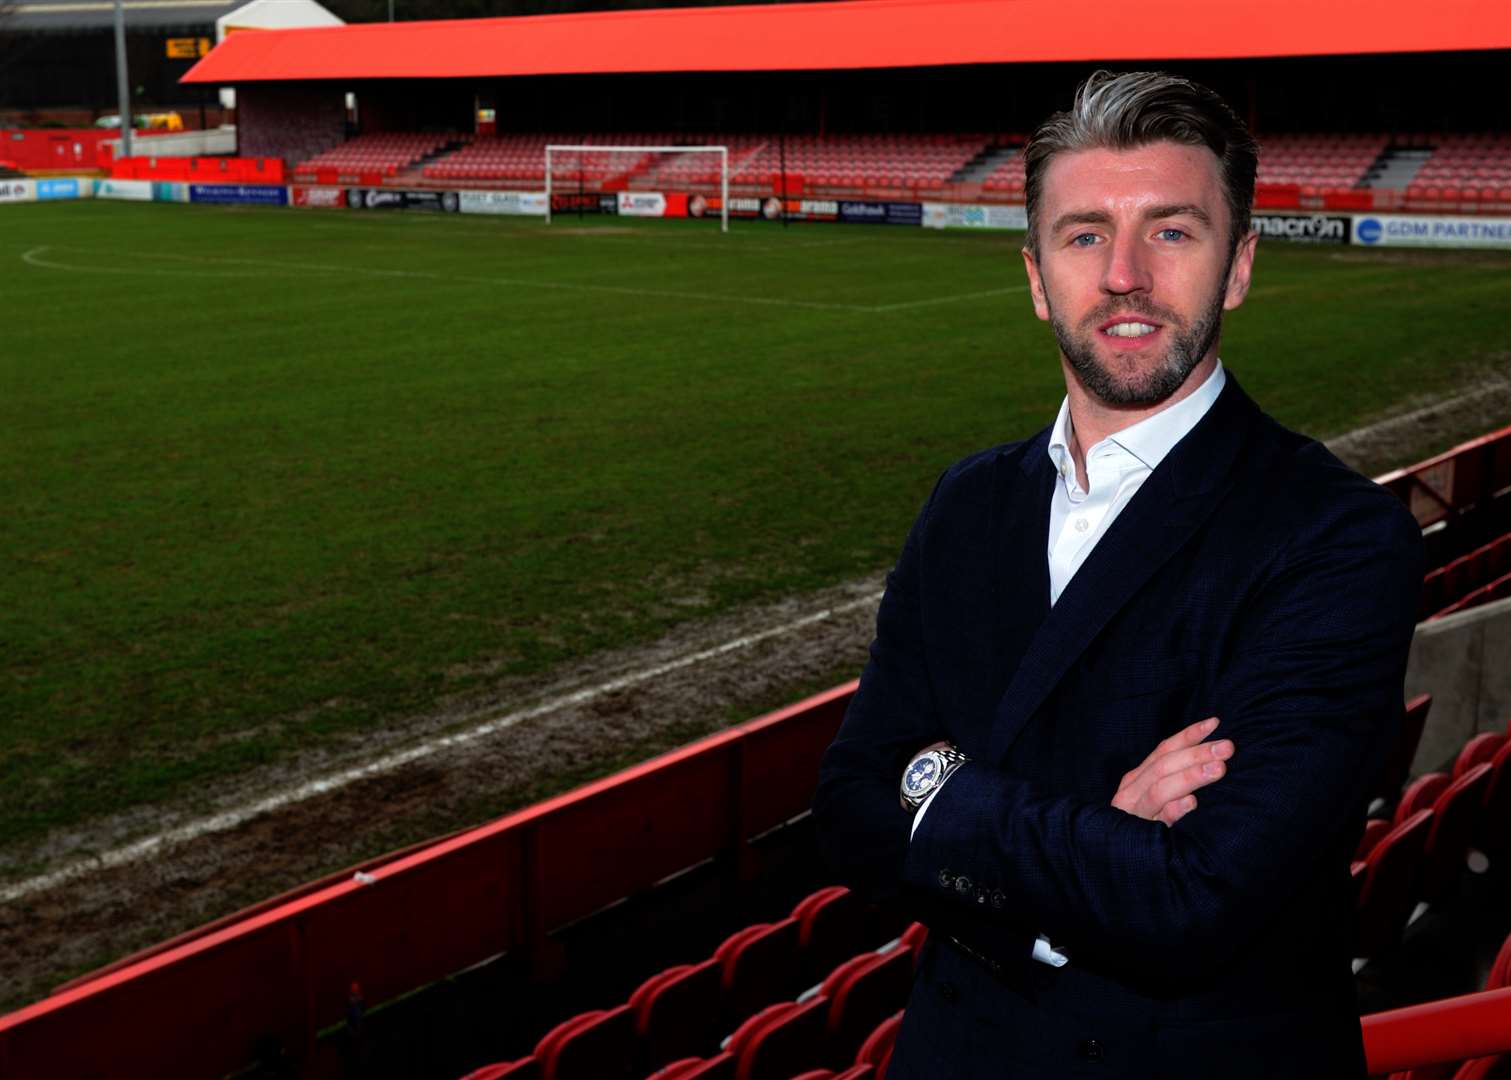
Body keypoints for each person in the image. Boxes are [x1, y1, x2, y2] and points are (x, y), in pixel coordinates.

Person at [812, 70, 1423, 1079]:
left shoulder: (1335, 537)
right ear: (1034, 276)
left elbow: (1193, 900)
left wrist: (939, 789)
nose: (1125, 274)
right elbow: (846, 809)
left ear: (1236, 268)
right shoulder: (965, 503)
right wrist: (1098, 830)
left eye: (1171, 232)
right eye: (1083, 234)